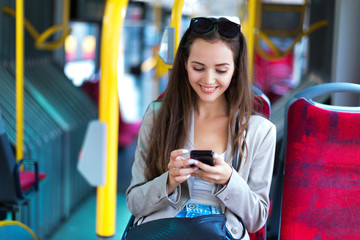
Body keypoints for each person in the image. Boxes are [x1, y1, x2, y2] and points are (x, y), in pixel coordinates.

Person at [126, 17, 276, 240]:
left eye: (221, 70)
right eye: (198, 68)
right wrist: (168, 181)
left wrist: (229, 180)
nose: (208, 79)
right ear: (185, 63)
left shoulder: (260, 131)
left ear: (235, 70)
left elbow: (256, 219)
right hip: (163, 230)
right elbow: (135, 204)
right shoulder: (158, 116)